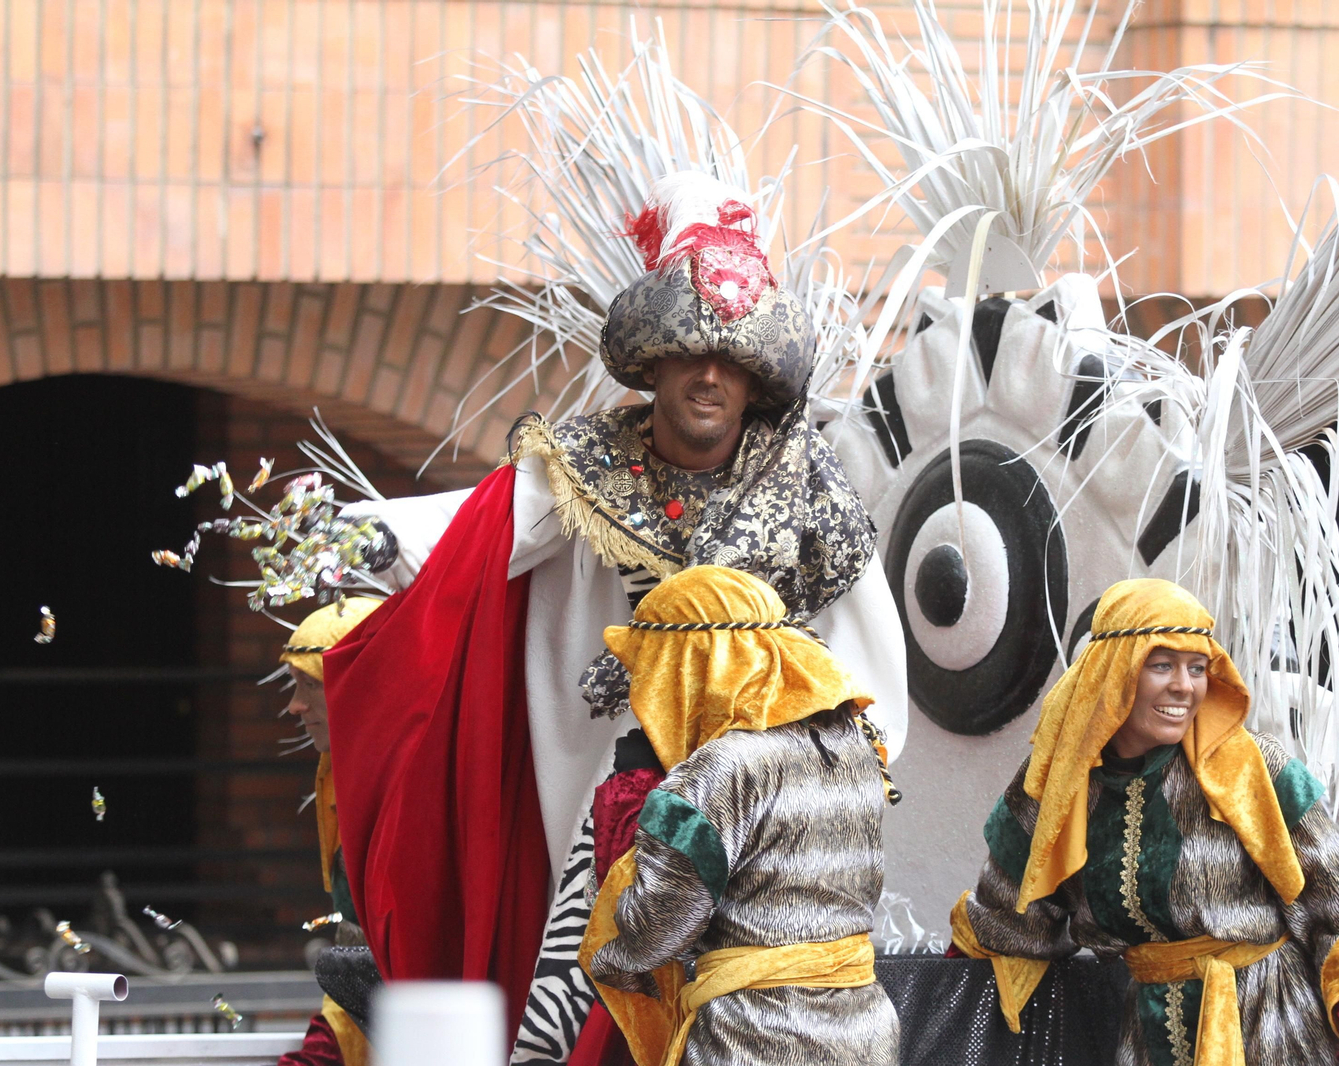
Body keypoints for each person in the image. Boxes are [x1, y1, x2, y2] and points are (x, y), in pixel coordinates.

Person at [321, 173, 908, 1062]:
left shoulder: (807, 479)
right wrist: (356, 539)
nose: (709, 375)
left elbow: (867, 658)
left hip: (763, 817)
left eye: (733, 359)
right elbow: (473, 534)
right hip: (622, 800)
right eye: (688, 352)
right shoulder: (587, 464)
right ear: (653, 362)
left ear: (756, 382)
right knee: (578, 1013)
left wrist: (835, 783)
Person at [950, 578, 1339, 1066]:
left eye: (1197, 668)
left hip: (1278, 1035)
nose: (1184, 686)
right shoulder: (1056, 787)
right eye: (1162, 665)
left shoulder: (1256, 769)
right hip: (1148, 1042)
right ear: (1113, 674)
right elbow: (1005, 922)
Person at [579, 565, 900, 1066]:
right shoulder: (853, 743)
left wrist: (615, 954)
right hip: (865, 1033)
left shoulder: (717, 771)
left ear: (686, 668)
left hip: (753, 1038)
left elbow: (657, 930)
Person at [273, 597, 384, 1066]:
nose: (295, 707)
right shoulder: (340, 774)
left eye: (310, 684)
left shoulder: (416, 786)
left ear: (359, 682)